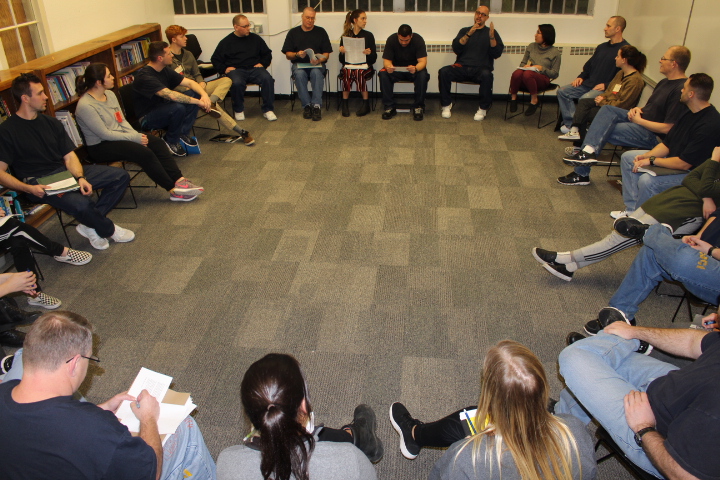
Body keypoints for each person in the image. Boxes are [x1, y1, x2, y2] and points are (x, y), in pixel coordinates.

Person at [0, 311, 216, 479]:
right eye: (89, 358)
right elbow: (150, 472)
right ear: (74, 363)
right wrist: (149, 419)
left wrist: (100, 409)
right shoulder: (93, 430)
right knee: (184, 427)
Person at [389, 340, 596, 480]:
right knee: (471, 417)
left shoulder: (468, 458)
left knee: (471, 416)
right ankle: (415, 435)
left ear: (490, 397)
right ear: (543, 388)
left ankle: (415, 433)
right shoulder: (575, 432)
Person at [557, 320, 720, 479]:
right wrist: (636, 331)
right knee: (596, 363)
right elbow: (693, 341)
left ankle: (607, 343)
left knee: (574, 358)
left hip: (657, 436)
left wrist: (643, 428)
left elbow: (684, 475)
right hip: (675, 385)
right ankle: (560, 420)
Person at [533, 151, 720, 281]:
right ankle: (570, 268)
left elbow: (705, 185)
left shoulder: (716, 160)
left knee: (618, 240)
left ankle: (564, 258)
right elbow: (690, 179)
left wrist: (713, 162)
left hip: (683, 214)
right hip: (669, 200)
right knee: (616, 237)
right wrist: (707, 196)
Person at [0, 73, 133, 251]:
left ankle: (90, 224)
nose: (46, 96)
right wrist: (28, 189)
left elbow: (69, 156)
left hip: (64, 173)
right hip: (38, 182)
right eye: (40, 93)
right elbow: (0, 174)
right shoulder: (7, 131)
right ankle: (108, 229)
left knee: (120, 177)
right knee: (82, 204)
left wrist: (80, 177)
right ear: (25, 98)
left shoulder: (50, 122)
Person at [570, 74, 720, 217]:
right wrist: (645, 156)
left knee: (647, 181)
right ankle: (632, 210)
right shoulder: (688, 113)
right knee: (630, 158)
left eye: (685, 88)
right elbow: (667, 145)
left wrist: (652, 161)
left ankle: (641, 220)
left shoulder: (709, 124)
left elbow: (684, 164)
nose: (682, 90)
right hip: (675, 161)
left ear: (691, 94)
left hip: (691, 175)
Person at [217, 353, 382, 480]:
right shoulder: (349, 461)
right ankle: (354, 436)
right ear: (303, 405)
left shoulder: (227, 463)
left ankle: (352, 435)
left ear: (248, 412)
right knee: (325, 436)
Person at [559, 45, 690, 186]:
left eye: (664, 58)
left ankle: (582, 171)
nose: (660, 60)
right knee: (607, 110)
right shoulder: (664, 82)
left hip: (652, 135)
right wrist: (638, 109)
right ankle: (588, 152)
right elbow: (654, 109)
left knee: (600, 129)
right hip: (640, 120)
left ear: (674, 63)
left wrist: (639, 121)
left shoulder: (679, 90)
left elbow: (668, 129)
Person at [75, 63, 206, 202]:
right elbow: (105, 134)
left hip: (119, 135)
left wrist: (136, 136)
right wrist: (135, 138)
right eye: (109, 76)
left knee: (156, 143)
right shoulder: (85, 106)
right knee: (143, 153)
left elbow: (121, 121)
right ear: (98, 82)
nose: (113, 77)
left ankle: (179, 180)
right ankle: (174, 190)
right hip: (101, 145)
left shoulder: (110, 94)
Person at [579, 207, 720, 335]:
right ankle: (621, 313)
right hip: (706, 252)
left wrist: (711, 251)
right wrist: (699, 237)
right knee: (652, 252)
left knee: (684, 260)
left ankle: (652, 232)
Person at [166, 23, 261, 143]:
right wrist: (193, 90)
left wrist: (201, 83)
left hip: (198, 88)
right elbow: (169, 84)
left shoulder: (188, 54)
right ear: (173, 40)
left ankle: (211, 102)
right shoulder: (167, 58)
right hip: (184, 92)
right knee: (214, 107)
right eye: (182, 36)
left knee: (227, 80)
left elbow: (197, 74)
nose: (186, 38)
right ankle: (240, 131)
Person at [133, 41, 214, 156]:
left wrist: (204, 95)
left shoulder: (164, 69)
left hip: (165, 108)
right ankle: (171, 140)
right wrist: (199, 103)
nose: (172, 55)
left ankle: (181, 133)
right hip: (147, 117)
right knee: (178, 107)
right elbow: (170, 95)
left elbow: (190, 83)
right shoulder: (145, 76)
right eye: (169, 54)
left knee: (194, 93)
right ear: (160, 58)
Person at [557, 45, 646, 142]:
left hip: (617, 111)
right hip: (607, 104)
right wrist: (601, 97)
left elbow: (622, 104)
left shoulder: (634, 81)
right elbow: (609, 91)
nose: (615, 58)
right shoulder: (620, 73)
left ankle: (581, 146)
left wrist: (602, 102)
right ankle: (574, 131)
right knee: (584, 102)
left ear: (624, 60)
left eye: (618, 56)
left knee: (586, 113)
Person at [556, 16, 629, 134]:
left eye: (608, 26)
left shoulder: (625, 50)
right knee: (563, 92)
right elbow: (589, 66)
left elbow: (624, 76)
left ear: (618, 29)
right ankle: (572, 125)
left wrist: (606, 85)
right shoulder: (602, 47)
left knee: (583, 100)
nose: (605, 28)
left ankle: (578, 127)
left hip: (604, 89)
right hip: (588, 83)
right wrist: (581, 77)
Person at [439, 5, 504, 121]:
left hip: (481, 69)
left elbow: (497, 53)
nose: (479, 16)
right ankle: (446, 105)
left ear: (487, 18)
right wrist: (469, 34)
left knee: (487, 75)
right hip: (461, 67)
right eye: (478, 13)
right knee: (444, 71)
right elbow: (456, 48)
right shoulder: (465, 30)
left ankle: (483, 108)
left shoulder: (491, 33)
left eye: (483, 14)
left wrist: (492, 38)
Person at [208, 16, 277, 122]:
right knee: (237, 82)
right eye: (245, 26)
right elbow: (215, 59)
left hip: (254, 68)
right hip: (237, 70)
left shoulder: (255, 39)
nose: (248, 28)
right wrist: (224, 69)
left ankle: (268, 109)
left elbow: (267, 53)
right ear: (236, 27)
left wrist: (263, 63)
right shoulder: (226, 42)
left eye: (248, 25)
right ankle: (239, 110)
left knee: (267, 79)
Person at [282, 7, 332, 122]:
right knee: (299, 75)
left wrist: (319, 60)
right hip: (299, 64)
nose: (310, 20)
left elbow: (326, 54)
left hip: (316, 65)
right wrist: (297, 54)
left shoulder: (321, 32)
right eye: (307, 18)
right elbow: (288, 54)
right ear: (302, 17)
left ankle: (316, 106)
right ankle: (306, 106)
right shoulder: (293, 33)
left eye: (312, 18)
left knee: (316, 73)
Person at [379, 24, 429, 121]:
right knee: (383, 74)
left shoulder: (418, 40)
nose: (403, 43)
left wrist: (416, 68)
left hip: (413, 70)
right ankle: (389, 107)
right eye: (401, 40)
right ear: (398, 35)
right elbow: (386, 61)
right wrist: (388, 67)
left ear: (411, 36)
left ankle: (418, 107)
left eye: (406, 40)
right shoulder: (391, 39)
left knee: (423, 75)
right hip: (396, 70)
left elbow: (423, 62)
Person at [508, 24, 560, 117]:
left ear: (546, 35)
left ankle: (534, 100)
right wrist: (526, 66)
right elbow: (522, 63)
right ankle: (513, 98)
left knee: (528, 74)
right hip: (527, 77)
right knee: (517, 73)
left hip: (542, 80)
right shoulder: (531, 46)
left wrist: (541, 68)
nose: (535, 35)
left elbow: (555, 74)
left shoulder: (555, 52)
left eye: (538, 33)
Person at [338, 10, 376, 118]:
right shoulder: (346, 36)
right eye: (362, 18)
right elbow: (341, 60)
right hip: (350, 65)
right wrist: (342, 52)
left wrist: (369, 54)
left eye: (365, 18)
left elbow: (374, 59)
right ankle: (345, 103)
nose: (365, 21)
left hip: (365, 66)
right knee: (347, 71)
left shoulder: (368, 36)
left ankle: (366, 103)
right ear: (355, 20)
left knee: (359, 72)